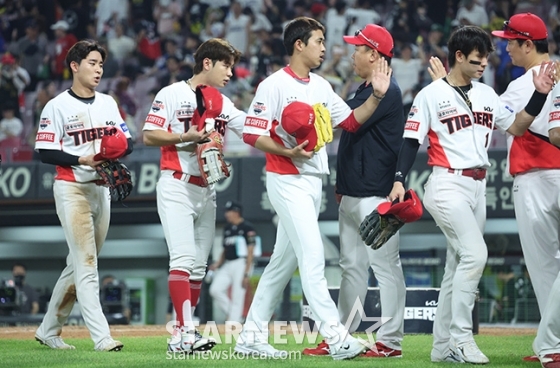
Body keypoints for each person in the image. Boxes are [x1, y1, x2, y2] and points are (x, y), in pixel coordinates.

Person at [387, 25, 554, 364]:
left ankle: (442, 345)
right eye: (477, 60)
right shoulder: (431, 94)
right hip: (447, 184)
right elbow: (410, 140)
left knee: (455, 265)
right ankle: (462, 339)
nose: (483, 65)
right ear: (459, 56)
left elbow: (517, 127)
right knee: (475, 254)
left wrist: (538, 95)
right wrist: (399, 179)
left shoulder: (487, 94)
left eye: (486, 59)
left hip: (478, 187)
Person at [236, 17, 393, 360]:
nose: (325, 47)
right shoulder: (273, 85)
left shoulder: (321, 85)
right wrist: (285, 150)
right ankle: (337, 338)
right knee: (314, 256)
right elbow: (251, 133)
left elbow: (350, 121)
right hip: (286, 178)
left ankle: (250, 336)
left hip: (312, 181)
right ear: (299, 45)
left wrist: (377, 97)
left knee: (281, 263)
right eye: (319, 41)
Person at [302, 24, 407, 358]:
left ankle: (391, 341)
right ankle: (341, 336)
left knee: (386, 267)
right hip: (351, 194)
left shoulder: (385, 89)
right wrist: (341, 186)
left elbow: (351, 123)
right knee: (352, 267)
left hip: (375, 195)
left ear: (374, 54)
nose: (353, 54)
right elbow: (350, 138)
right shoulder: (366, 88)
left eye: (358, 49)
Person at [142, 38, 246, 354]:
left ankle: (182, 335)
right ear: (207, 63)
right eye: (225, 65)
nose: (231, 71)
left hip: (207, 189)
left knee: (199, 267)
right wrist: (184, 136)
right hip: (176, 184)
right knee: (184, 259)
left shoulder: (222, 102)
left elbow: (246, 126)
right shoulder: (172, 93)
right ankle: (186, 332)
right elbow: (148, 135)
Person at [34, 39, 133, 352]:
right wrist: (82, 159)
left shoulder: (108, 103)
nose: (98, 69)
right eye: (92, 62)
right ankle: (102, 337)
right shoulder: (57, 106)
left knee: (77, 264)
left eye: (101, 64)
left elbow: (127, 141)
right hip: (72, 186)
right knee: (87, 264)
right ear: (75, 66)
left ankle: (48, 329)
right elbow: (45, 151)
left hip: (101, 187)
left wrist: (112, 152)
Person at [490, 13, 560, 365]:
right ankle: (552, 344)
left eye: (510, 41)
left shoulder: (520, 85)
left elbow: (511, 129)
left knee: (545, 265)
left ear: (528, 44)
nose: (505, 47)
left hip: (536, 177)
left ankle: (551, 346)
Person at [209, 201, 257, 323]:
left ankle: (233, 322)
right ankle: (235, 316)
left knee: (237, 295)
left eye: (229, 211)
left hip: (242, 263)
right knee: (215, 290)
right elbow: (225, 250)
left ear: (236, 212)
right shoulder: (228, 228)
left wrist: (247, 273)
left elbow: (250, 251)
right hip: (228, 263)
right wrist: (217, 264)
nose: (226, 214)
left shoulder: (247, 227)